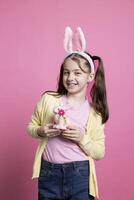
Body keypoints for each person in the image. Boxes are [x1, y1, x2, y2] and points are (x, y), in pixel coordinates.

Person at [27, 26, 109, 200]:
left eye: (77, 73)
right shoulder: (49, 100)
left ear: (90, 76)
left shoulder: (95, 113)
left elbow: (99, 152)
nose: (70, 78)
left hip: (79, 175)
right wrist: (42, 131)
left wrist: (82, 138)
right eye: (66, 72)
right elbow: (31, 127)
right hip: (49, 173)